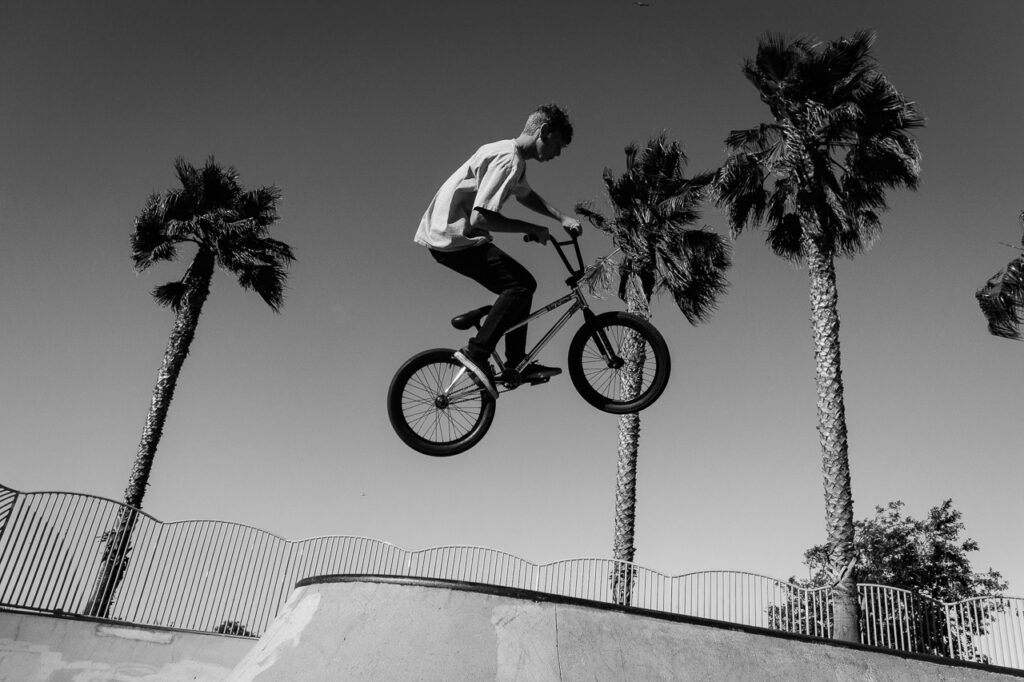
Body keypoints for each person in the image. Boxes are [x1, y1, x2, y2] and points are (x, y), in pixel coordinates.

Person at [415, 103, 582, 398]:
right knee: (520, 285)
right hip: (452, 239)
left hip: (449, 237)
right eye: (557, 145)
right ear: (543, 132)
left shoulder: (510, 155)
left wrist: (560, 218)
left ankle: (513, 358)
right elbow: (482, 217)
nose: (557, 154)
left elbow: (526, 196)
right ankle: (477, 353)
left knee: (521, 287)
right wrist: (532, 229)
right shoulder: (509, 160)